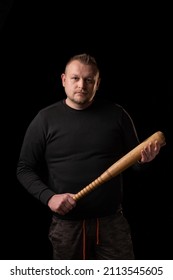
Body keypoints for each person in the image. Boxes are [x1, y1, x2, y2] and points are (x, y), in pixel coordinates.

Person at [17, 53, 161, 260]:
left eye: (89, 80)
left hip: (111, 222)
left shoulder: (117, 114)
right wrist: (49, 197)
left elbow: (136, 163)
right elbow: (24, 168)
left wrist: (144, 161)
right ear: (64, 80)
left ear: (97, 83)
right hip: (67, 225)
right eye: (75, 78)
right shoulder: (44, 119)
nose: (81, 85)